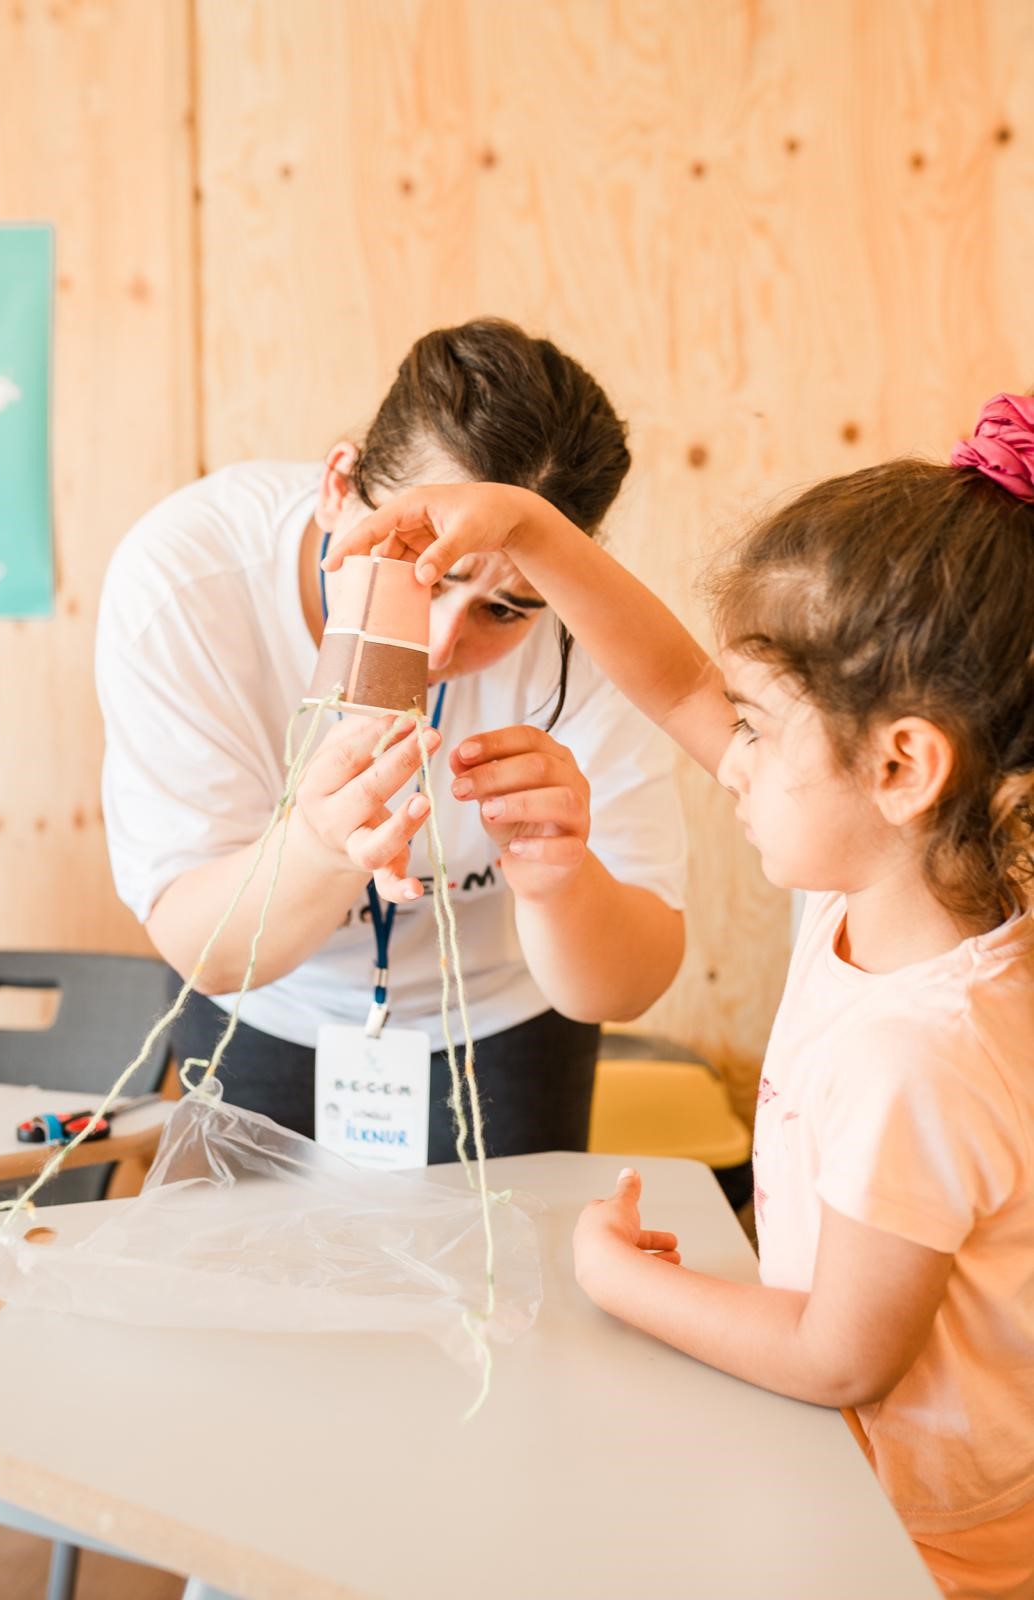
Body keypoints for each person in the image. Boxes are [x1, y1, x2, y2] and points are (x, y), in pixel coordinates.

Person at [326, 393, 1034, 1598]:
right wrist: (533, 534)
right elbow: (671, 681)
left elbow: (836, 1357)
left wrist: (626, 1280)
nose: (726, 754)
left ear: (903, 765)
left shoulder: (917, 1051)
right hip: (868, 1495)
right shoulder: (889, 899)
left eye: (753, 729)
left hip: (920, 1551)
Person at [96, 319, 687, 1161]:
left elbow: (630, 983)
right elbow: (207, 950)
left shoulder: (592, 628)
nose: (444, 644)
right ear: (339, 484)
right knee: (250, 1284)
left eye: (507, 610)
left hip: (501, 1020)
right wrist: (315, 847)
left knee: (500, 1288)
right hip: (266, 1008)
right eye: (423, 576)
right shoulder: (187, 581)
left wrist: (564, 883)